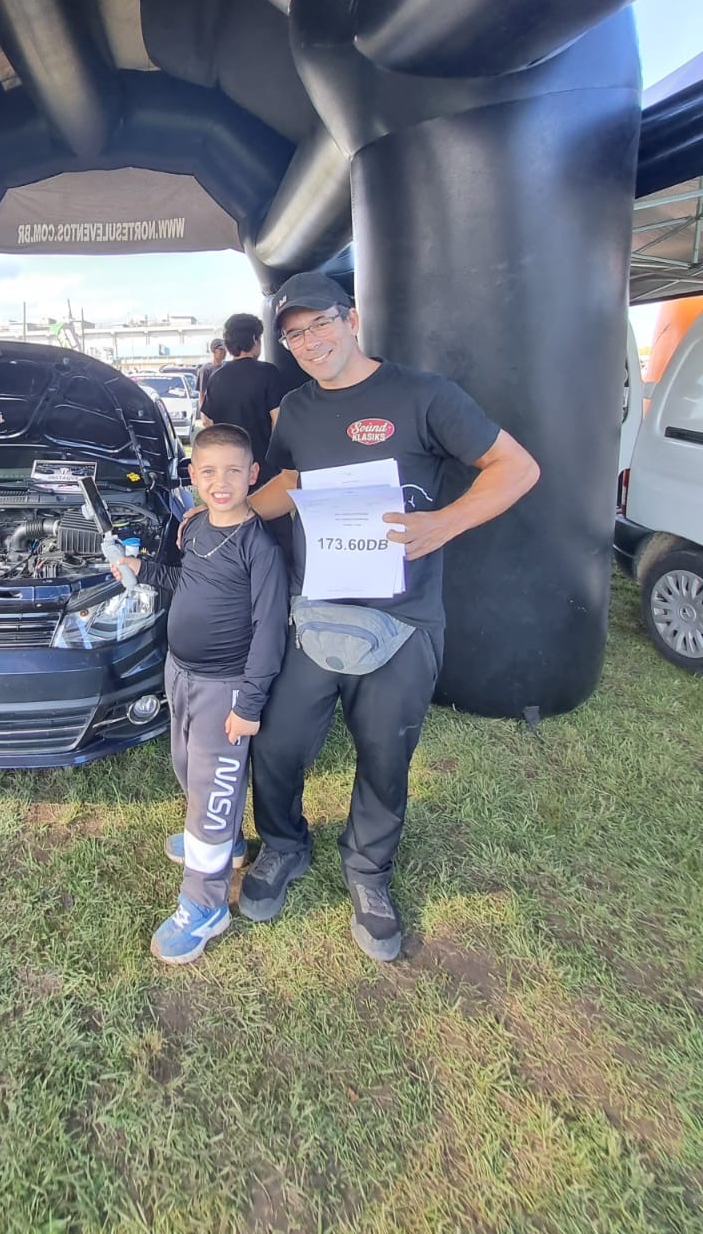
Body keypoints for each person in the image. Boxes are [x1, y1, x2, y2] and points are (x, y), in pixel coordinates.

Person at [230, 272, 540, 962]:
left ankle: (368, 872)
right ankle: (283, 845)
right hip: (315, 612)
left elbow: (515, 467)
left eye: (320, 323)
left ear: (352, 318)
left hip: (404, 619)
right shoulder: (296, 409)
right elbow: (290, 484)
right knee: (276, 743)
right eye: (294, 334)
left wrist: (445, 523)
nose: (309, 341)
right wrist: (228, 516)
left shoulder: (424, 395)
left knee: (385, 754)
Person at [111, 424, 287, 964]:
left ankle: (204, 905)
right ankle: (227, 841)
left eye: (233, 471)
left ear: (253, 474)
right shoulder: (196, 528)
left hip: (225, 689)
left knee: (212, 793)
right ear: (192, 476)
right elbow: (185, 581)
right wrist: (141, 568)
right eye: (208, 471)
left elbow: (269, 630)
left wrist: (248, 704)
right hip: (180, 674)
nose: (221, 482)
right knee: (189, 768)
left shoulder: (260, 547)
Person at [199, 313, 288, 487]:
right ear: (255, 340)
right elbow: (278, 420)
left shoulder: (216, 377)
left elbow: (207, 421)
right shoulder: (268, 373)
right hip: (263, 466)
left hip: (229, 467)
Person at [196, 338, 226, 403]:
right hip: (211, 406)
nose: (224, 352)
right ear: (213, 350)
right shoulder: (205, 369)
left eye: (225, 349)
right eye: (221, 349)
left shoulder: (226, 368)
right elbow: (202, 394)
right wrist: (202, 408)